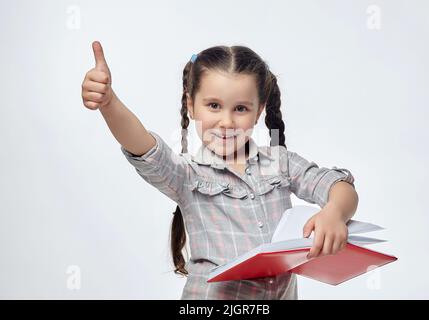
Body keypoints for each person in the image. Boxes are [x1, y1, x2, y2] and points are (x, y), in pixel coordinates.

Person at [81, 41, 359, 299]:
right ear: (191, 105)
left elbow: (338, 186)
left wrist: (334, 212)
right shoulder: (187, 176)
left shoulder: (281, 163)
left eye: (240, 108)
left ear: (259, 110)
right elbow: (142, 145)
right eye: (214, 106)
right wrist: (109, 104)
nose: (226, 121)